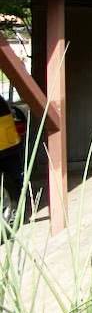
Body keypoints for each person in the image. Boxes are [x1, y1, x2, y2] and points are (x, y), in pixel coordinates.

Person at [0, 94, 25, 227]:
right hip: (8, 145)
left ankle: (13, 215)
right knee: (14, 180)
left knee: (13, 182)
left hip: (6, 144)